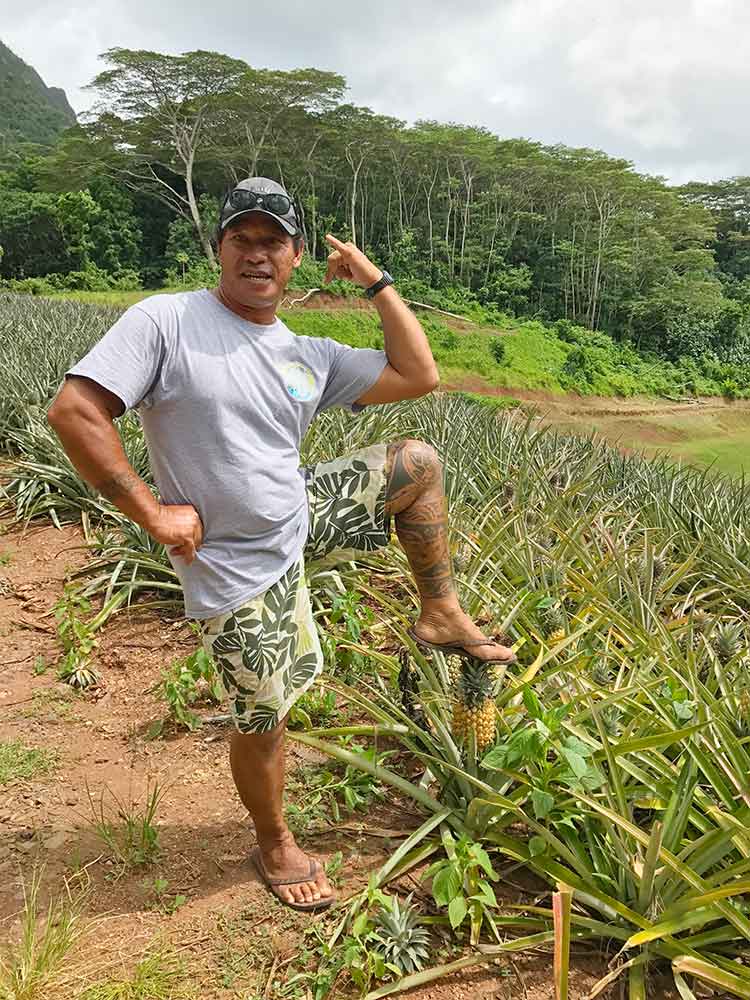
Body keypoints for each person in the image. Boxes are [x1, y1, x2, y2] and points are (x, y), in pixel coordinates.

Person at [48, 176, 516, 912]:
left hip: (297, 516)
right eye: (243, 239)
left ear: (297, 257)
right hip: (231, 561)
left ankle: (441, 611)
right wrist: (155, 515)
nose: (257, 255)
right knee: (264, 716)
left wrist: (377, 283)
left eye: (274, 242)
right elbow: (76, 411)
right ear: (221, 249)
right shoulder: (166, 322)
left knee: (416, 463)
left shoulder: (307, 353)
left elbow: (419, 374)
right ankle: (273, 841)